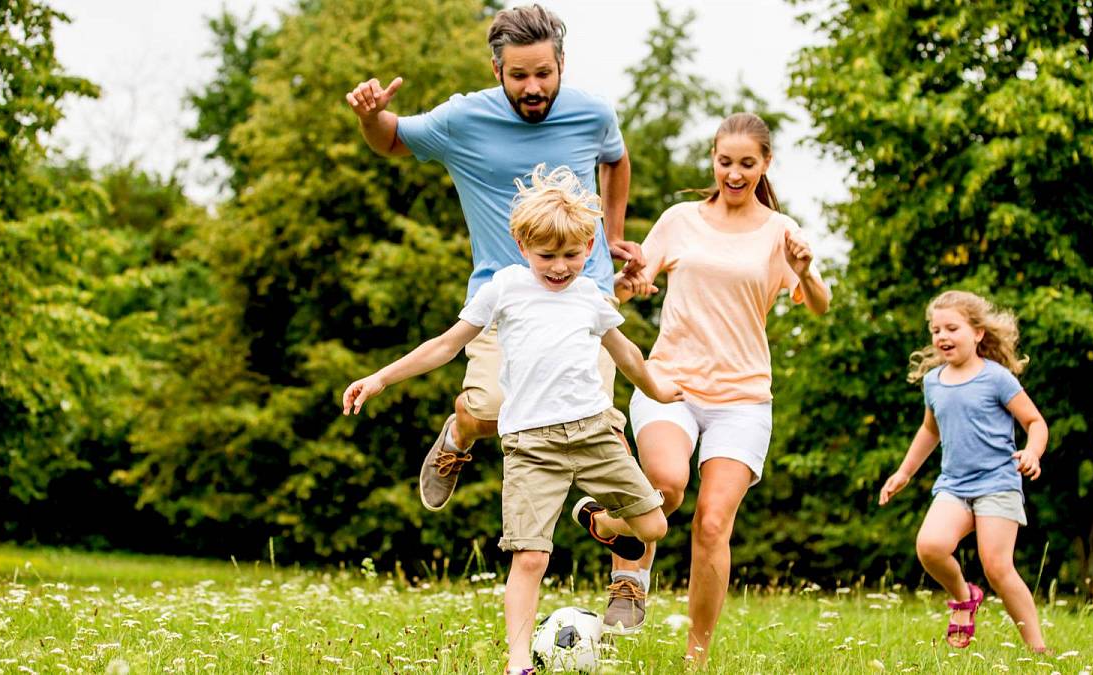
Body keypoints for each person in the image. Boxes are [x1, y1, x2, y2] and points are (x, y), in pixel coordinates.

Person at [341, 164, 679, 675]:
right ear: (522, 246)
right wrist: (381, 378)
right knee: (530, 557)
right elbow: (446, 345)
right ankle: (517, 662)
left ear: (590, 247)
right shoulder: (506, 289)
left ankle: (597, 519)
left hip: (593, 435)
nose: (560, 267)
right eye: (547, 256)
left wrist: (658, 388)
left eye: (571, 254)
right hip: (530, 446)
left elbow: (627, 354)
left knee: (652, 525)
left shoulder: (591, 296)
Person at [344, 3, 643, 513]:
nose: (533, 88)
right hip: (502, 300)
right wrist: (371, 116)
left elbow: (614, 157)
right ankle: (460, 431)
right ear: (497, 70)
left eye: (543, 74)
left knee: (605, 430)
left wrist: (610, 236)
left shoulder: (592, 113)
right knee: (492, 410)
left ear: (562, 66)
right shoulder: (463, 119)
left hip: (584, 293)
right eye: (519, 75)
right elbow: (391, 139)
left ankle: (628, 584)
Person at [601, 113, 831, 665]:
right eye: (725, 162)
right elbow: (628, 287)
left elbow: (819, 305)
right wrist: (629, 284)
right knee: (665, 482)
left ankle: (696, 657)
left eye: (746, 163)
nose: (734, 173)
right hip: (671, 382)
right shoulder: (681, 220)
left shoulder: (780, 232)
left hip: (744, 399)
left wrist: (808, 268)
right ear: (713, 159)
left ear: (765, 164)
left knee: (711, 523)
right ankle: (623, 551)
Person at [878, 290, 1049, 653]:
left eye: (952, 327)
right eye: (935, 329)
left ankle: (1038, 649)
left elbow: (1035, 421)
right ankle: (963, 595)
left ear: (978, 333)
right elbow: (930, 430)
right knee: (930, 546)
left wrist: (1032, 452)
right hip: (954, 485)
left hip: (998, 483)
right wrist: (904, 472)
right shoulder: (934, 382)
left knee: (998, 568)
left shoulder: (997, 378)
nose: (942, 336)